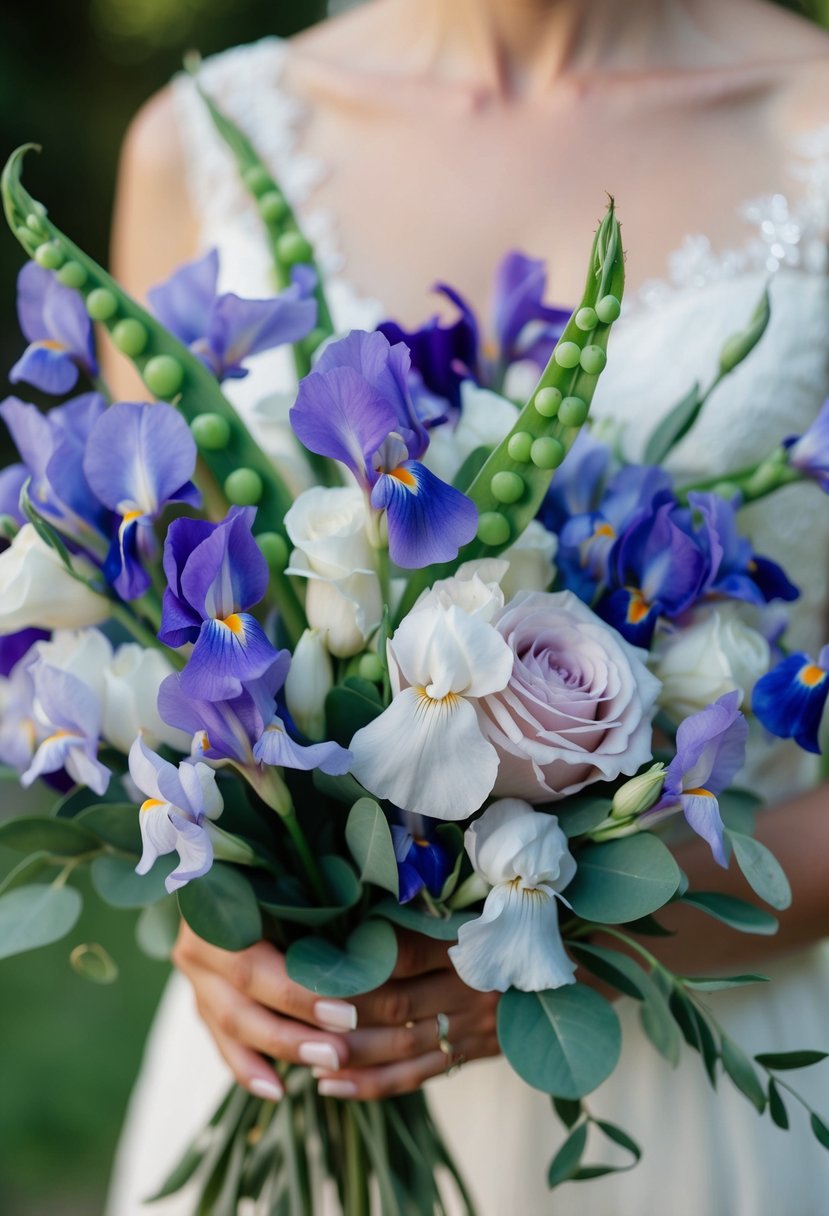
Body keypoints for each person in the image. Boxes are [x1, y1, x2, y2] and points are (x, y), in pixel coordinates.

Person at [105, 1, 829, 1211]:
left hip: (697, 1092)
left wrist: (557, 924)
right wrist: (215, 896)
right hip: (299, 1069)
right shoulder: (203, 138)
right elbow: (158, 642)